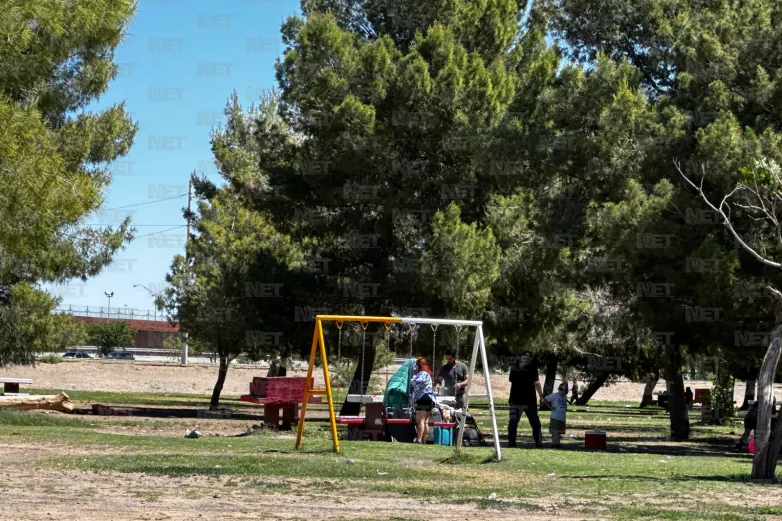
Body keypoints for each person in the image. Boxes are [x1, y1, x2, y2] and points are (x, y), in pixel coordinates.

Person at [508, 351, 545, 448]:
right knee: (535, 422)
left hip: (515, 400)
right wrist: (541, 396)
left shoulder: (514, 366)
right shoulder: (533, 367)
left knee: (513, 422)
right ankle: (539, 442)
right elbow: (536, 383)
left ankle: (511, 443)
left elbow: (510, 379)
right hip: (530, 400)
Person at [411, 357, 437, 444]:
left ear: (419, 365)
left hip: (423, 398)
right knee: (426, 422)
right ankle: (424, 440)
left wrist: (413, 377)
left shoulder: (422, 373)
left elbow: (415, 382)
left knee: (420, 421)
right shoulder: (428, 374)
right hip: (430, 399)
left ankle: (418, 439)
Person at [543, 382, 569, 448]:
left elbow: (565, 404)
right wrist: (550, 407)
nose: (562, 392)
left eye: (564, 391)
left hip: (562, 417)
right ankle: (555, 444)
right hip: (555, 417)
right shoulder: (554, 395)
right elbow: (545, 399)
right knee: (555, 431)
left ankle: (558, 443)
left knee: (559, 431)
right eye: (560, 390)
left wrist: (565, 410)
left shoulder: (564, 397)